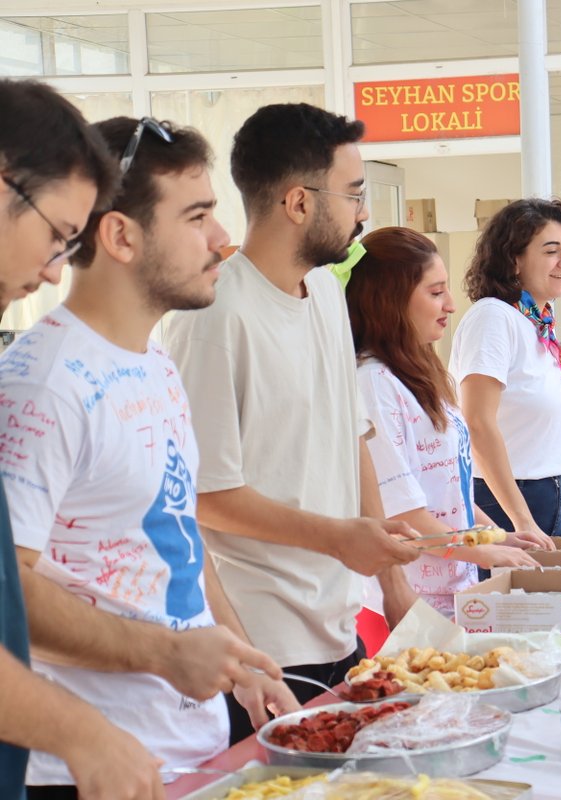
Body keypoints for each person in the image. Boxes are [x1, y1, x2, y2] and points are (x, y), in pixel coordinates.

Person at [4, 116, 300, 797]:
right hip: (81, 772)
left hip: (180, 754)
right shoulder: (43, 382)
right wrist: (168, 655)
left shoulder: (156, 365)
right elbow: (7, 593)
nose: (223, 240)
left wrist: (238, 654)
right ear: (121, 236)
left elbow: (178, 534)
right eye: (197, 216)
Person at [162, 103, 420, 745]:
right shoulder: (213, 314)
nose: (364, 212)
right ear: (299, 202)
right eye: (355, 194)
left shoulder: (327, 293)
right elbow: (205, 498)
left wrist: (393, 583)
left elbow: (350, 435)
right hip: (263, 649)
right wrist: (338, 538)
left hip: (340, 623)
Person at [0, 78, 165, 800]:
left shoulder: (157, 361)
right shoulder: (42, 377)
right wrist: (83, 733)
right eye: (56, 236)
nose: (52, 270)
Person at [345, 226, 552, 615]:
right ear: (389, 300)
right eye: (436, 292)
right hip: (404, 602)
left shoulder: (419, 374)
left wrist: (499, 537)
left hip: (453, 592)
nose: (451, 305)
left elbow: (449, 492)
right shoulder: (372, 384)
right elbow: (403, 515)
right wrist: (484, 551)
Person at [449, 198, 561, 538]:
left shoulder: (534, 323)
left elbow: (544, 435)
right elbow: (477, 423)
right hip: (507, 502)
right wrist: (521, 520)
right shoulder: (493, 318)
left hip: (544, 497)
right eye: (551, 250)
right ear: (514, 260)